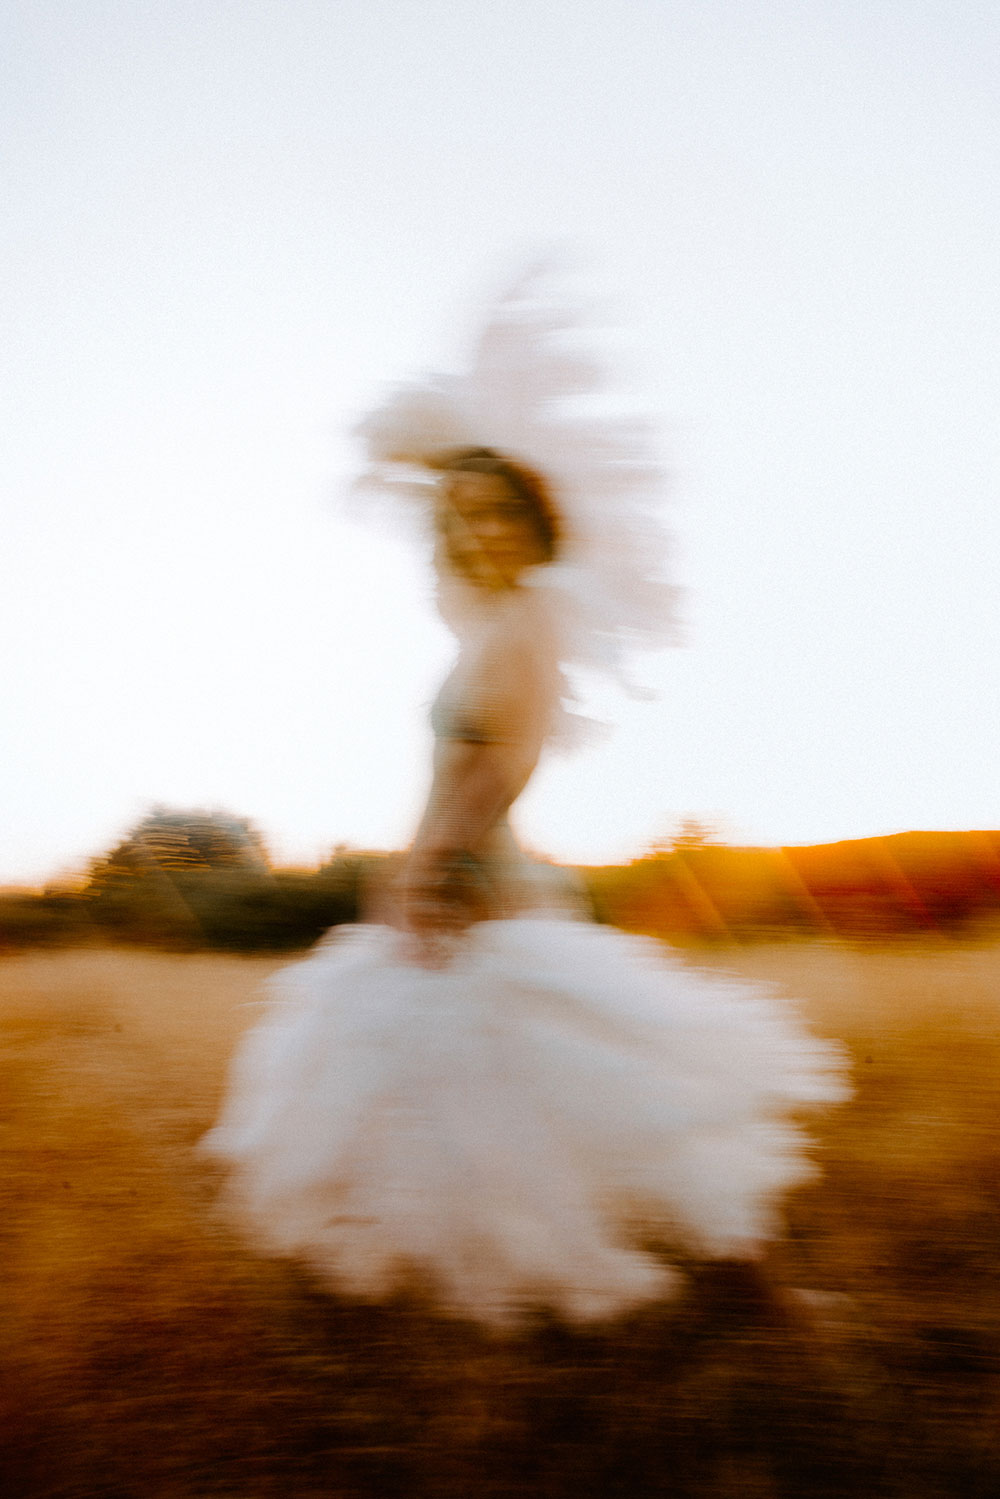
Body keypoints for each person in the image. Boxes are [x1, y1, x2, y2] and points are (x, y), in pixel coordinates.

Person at [202, 269, 848, 1328]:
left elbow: (503, 764)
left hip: (477, 884)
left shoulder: (529, 619)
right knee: (476, 1094)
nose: (477, 528)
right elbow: (461, 764)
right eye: (458, 515)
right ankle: (421, 1298)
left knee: (573, 1086)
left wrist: (433, 872)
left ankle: (752, 1287)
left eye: (495, 508)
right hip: (448, 873)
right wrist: (407, 867)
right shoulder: (487, 624)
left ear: (531, 517)